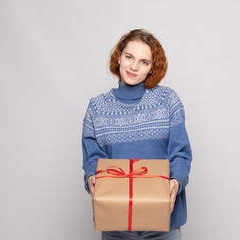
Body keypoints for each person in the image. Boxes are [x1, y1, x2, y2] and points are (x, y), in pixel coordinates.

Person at [82, 29, 192, 240]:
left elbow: (181, 154)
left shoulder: (168, 101)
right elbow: (93, 158)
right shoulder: (97, 107)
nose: (133, 67)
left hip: (164, 224)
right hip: (116, 222)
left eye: (144, 62)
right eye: (129, 57)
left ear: (152, 68)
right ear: (119, 57)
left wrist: (175, 182)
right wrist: (92, 177)